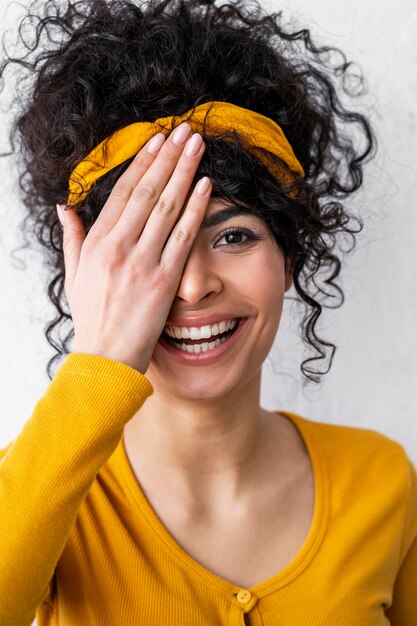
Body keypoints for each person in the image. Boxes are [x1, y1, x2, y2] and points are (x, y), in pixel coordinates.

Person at [0, 0, 415, 624]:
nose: (192, 287)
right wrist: (101, 359)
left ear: (291, 257)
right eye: (152, 246)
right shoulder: (41, 487)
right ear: (93, 275)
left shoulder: (382, 480)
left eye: (235, 236)